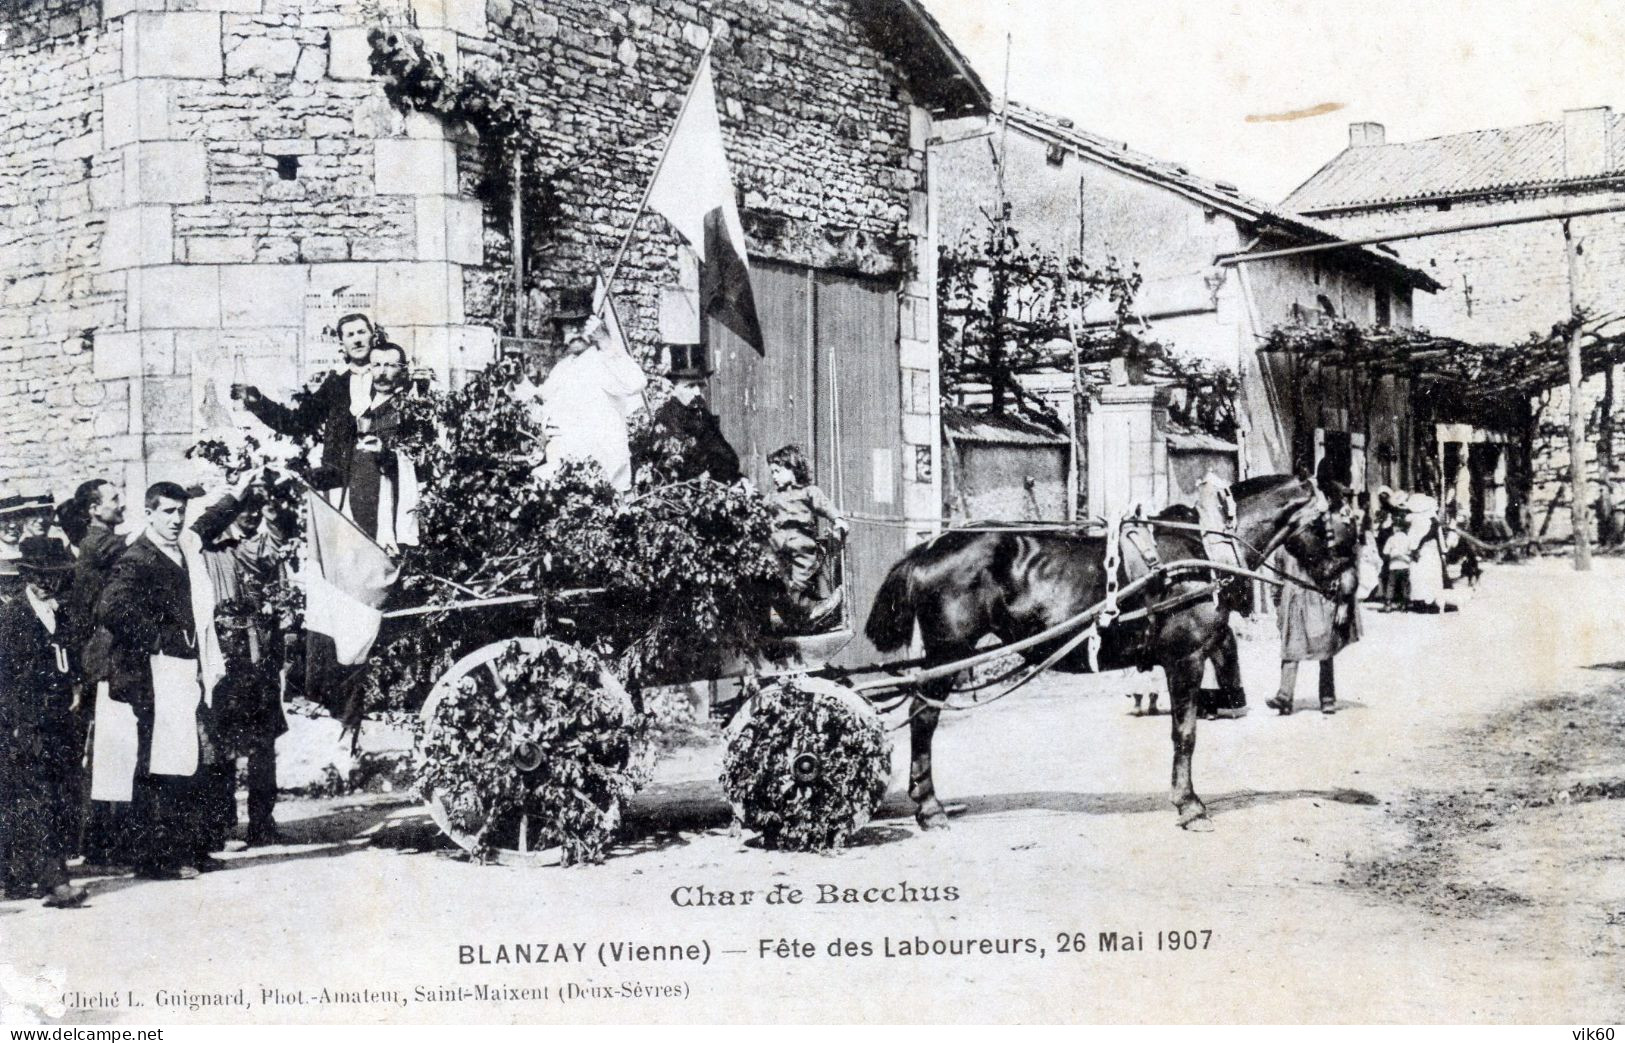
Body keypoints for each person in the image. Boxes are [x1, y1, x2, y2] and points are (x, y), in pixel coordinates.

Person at [96, 482, 218, 880]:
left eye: (180, 512)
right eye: (166, 512)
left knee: (183, 757)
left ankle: (187, 848)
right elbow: (111, 607)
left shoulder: (180, 550)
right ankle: (154, 858)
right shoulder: (138, 557)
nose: (175, 519)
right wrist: (158, 638)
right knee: (156, 764)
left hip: (178, 671)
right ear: (148, 514)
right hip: (151, 674)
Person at [191, 476, 291, 847]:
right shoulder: (209, 549)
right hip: (225, 660)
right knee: (221, 744)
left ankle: (262, 822)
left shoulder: (260, 547)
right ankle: (221, 825)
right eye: (244, 507)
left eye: (257, 508)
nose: (250, 515)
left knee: (263, 745)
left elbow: (276, 556)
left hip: (259, 658)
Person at [0, 537, 90, 907]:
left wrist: (77, 689)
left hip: (60, 723)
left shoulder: (62, 614)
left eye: (55, 576)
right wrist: (16, 723)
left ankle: (20, 876)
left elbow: (72, 662)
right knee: (38, 799)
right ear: (27, 576)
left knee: (49, 798)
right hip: (24, 724)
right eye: (41, 577)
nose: (49, 583)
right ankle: (56, 883)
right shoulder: (11, 619)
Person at [234, 311, 376, 504]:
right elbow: (297, 423)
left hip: (381, 480)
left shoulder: (391, 375)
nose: (357, 340)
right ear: (342, 344)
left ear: (372, 336)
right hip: (340, 484)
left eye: (361, 332)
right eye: (350, 335)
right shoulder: (335, 383)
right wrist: (257, 400)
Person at [67, 479, 133, 868]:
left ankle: (104, 840)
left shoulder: (99, 540)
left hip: (107, 656)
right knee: (111, 749)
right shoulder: (99, 543)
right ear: (94, 509)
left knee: (112, 749)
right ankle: (101, 842)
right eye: (114, 499)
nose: (120, 505)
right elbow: (138, 547)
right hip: (106, 659)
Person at [532, 289, 648, 493]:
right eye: (569, 325)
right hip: (564, 474)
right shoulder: (562, 368)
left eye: (581, 324)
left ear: (592, 326)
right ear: (561, 329)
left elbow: (636, 382)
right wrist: (519, 381)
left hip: (600, 478)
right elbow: (541, 404)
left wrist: (605, 340)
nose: (575, 331)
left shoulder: (604, 360)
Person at [1266, 500, 1362, 716]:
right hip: (1292, 601)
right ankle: (1284, 696)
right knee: (1290, 650)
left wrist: (1344, 604)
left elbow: (1345, 569)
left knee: (1324, 648)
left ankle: (1327, 698)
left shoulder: (1320, 544)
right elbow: (1277, 576)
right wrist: (1277, 603)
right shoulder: (1282, 547)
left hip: (1317, 599)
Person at [766, 444, 848, 632]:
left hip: (802, 548)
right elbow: (759, 512)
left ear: (792, 468)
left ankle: (811, 612)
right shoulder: (772, 497)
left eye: (777, 471)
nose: (774, 476)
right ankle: (798, 616)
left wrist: (838, 519)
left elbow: (825, 506)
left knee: (798, 585)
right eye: (772, 472)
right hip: (780, 548)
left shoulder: (809, 492)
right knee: (778, 583)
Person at [348, 341, 419, 545]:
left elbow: (418, 463)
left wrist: (384, 452)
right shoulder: (361, 407)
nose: (382, 372)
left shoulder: (410, 411)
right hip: (360, 500)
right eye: (377, 365)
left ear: (404, 371)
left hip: (390, 504)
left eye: (390, 365)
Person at [648, 343, 742, 484]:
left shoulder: (702, 414)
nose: (697, 392)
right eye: (690, 386)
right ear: (674, 388)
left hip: (715, 486)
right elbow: (676, 470)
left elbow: (729, 457)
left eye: (700, 385)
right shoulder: (667, 419)